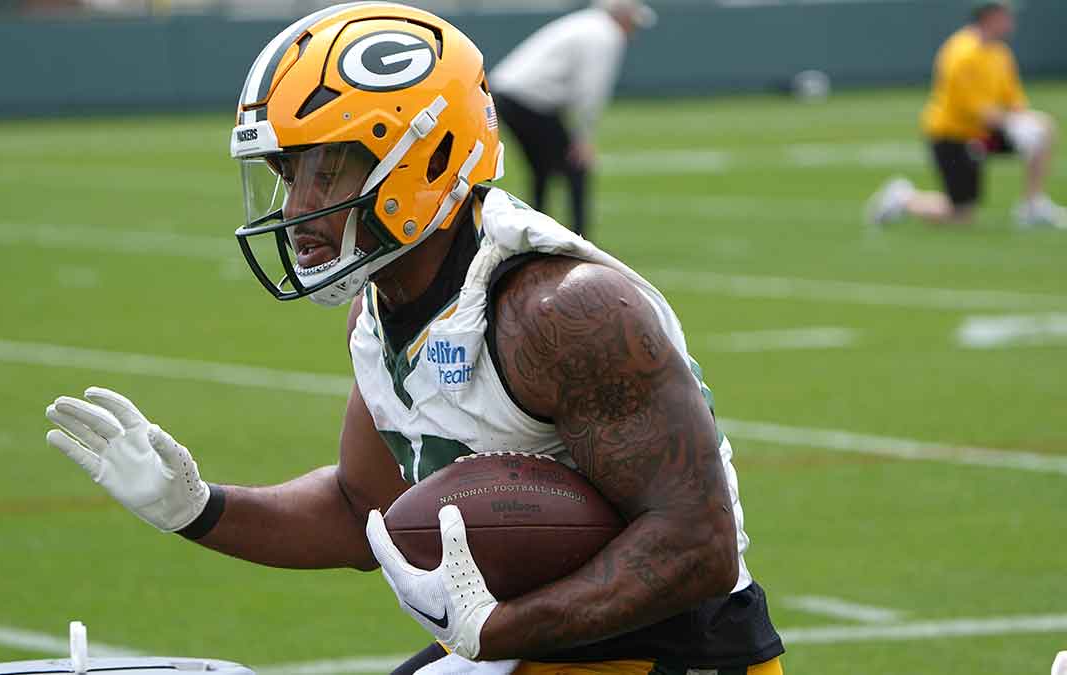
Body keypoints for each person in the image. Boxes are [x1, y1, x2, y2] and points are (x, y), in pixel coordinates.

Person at [43, 4, 783, 674]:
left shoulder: (560, 311)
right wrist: (197, 507)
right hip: (531, 640)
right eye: (287, 174)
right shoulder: (379, 309)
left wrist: (498, 629)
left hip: (677, 651)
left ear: (423, 156)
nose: (297, 209)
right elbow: (357, 507)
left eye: (326, 171)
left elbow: (699, 544)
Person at [868, 0, 1064, 229]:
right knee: (960, 215)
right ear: (989, 17)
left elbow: (1013, 100)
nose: (1011, 22)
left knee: (1042, 129)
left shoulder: (1000, 53)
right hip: (953, 138)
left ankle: (1032, 206)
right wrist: (1013, 121)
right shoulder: (962, 53)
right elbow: (975, 110)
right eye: (1005, 16)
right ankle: (903, 198)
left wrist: (1023, 119)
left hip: (983, 136)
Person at [487, 0, 656, 239]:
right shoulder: (605, 35)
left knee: (542, 169)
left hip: (509, 94)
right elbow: (590, 89)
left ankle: (535, 233)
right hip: (527, 99)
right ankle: (579, 237)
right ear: (623, 17)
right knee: (576, 166)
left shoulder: (585, 23)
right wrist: (583, 138)